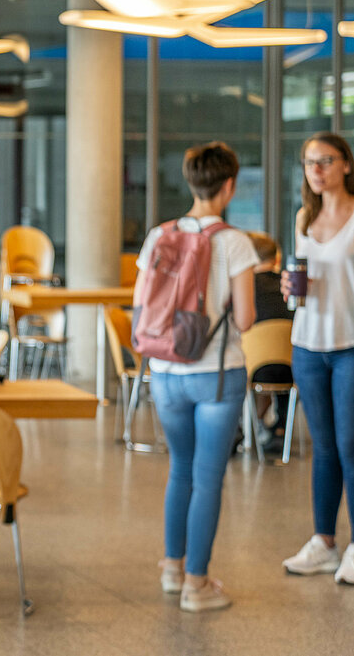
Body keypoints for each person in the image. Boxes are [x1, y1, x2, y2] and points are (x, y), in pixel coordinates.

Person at [135, 142, 257, 613]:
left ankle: (172, 568)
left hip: (165, 371)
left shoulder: (158, 235)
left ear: (191, 182)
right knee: (208, 478)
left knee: (180, 471)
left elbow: (144, 306)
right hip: (216, 376)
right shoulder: (235, 242)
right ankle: (197, 584)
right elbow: (245, 319)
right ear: (228, 186)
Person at [280, 131, 354, 586]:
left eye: (324, 161)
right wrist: (287, 288)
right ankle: (324, 542)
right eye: (308, 162)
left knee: (352, 448)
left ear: (345, 165)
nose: (315, 170)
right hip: (307, 346)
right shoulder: (304, 217)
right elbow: (300, 281)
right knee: (322, 450)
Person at [247, 231, 294, 455]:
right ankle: (281, 428)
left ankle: (241, 428)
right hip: (292, 372)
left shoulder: (245, 288)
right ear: (276, 259)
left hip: (252, 371)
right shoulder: (289, 287)